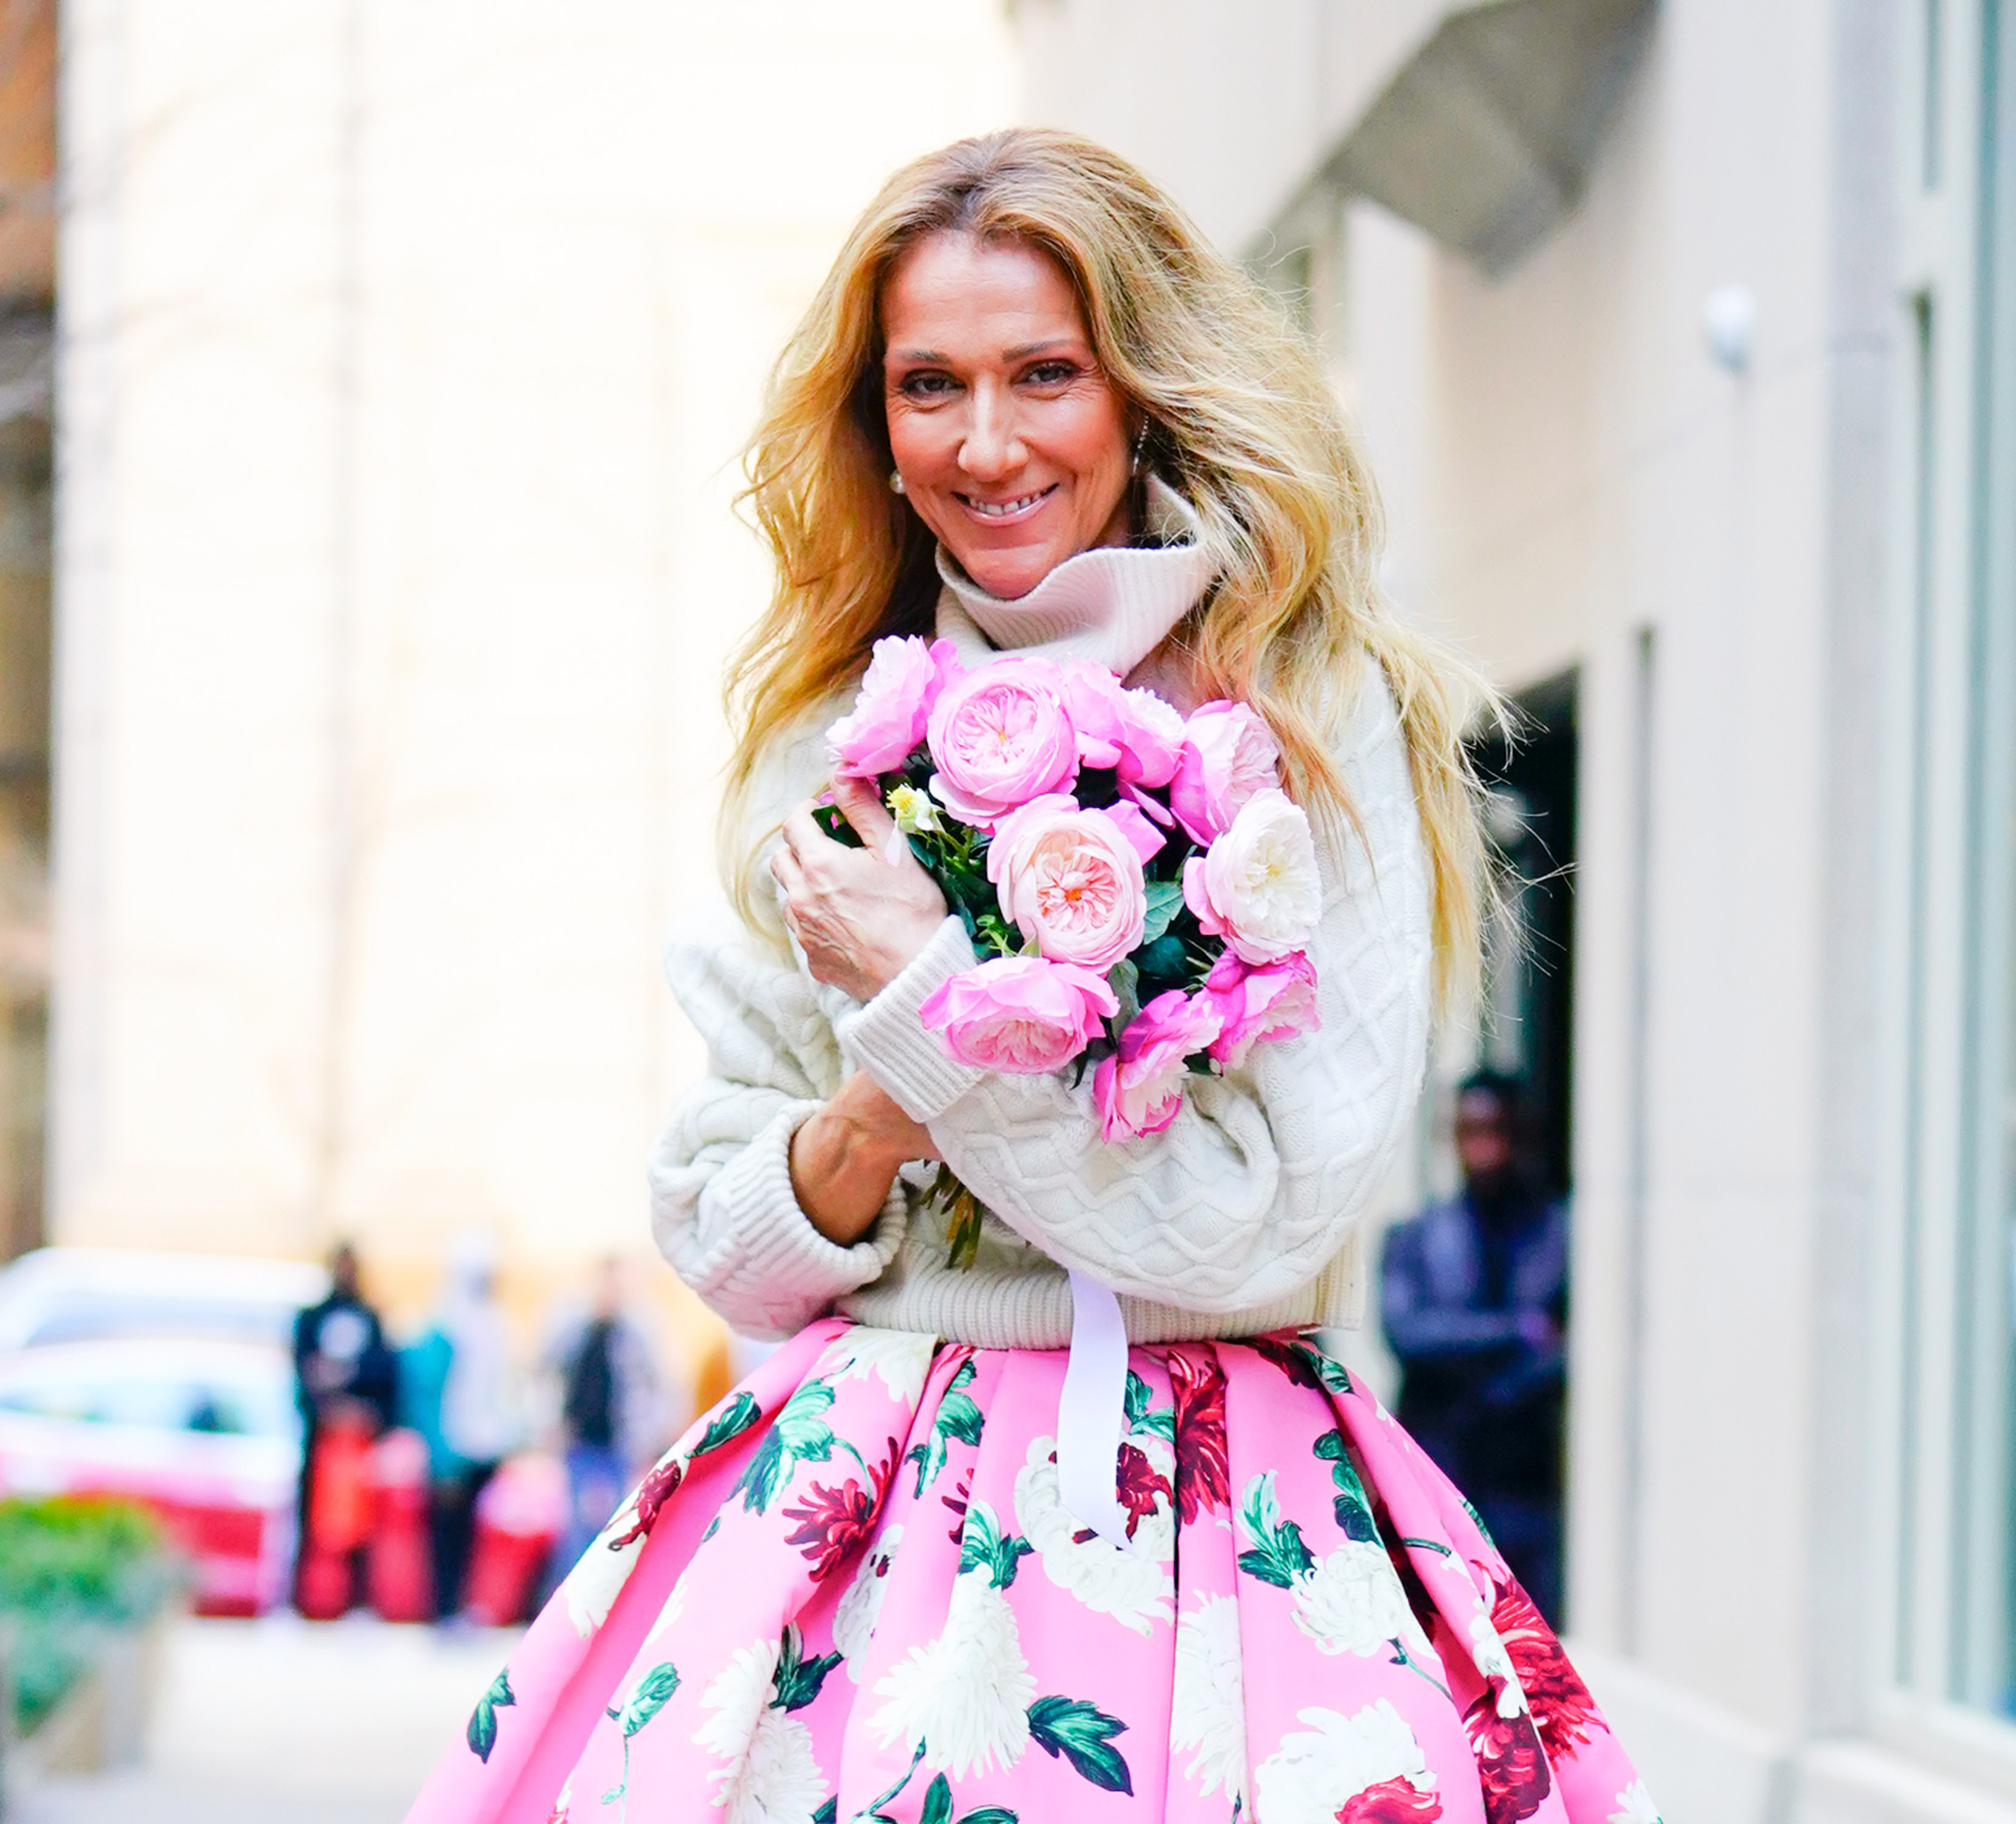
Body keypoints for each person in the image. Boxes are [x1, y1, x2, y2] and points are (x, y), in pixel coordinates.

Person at [407, 129, 1652, 1823]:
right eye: (928, 387)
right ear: (878, 424)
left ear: (1137, 388)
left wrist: (929, 1007)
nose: (984, 444)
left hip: (1222, 1518)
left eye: (1042, 375)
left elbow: (1256, 1227)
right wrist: (876, 1106)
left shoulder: (1313, 712)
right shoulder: (823, 734)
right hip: (846, 1518)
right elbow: (722, 1229)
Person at [1381, 1069, 1570, 1622]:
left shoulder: (1557, 1233)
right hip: (1437, 1476)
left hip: (1522, 1485)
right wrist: (1516, 1330)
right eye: (1470, 1131)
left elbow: (1570, 1352)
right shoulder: (1414, 1237)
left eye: (1496, 1130)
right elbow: (1409, 1335)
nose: (1484, 1147)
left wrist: (1495, 1377)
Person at [406, 1232, 523, 1624]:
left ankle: (462, 1606)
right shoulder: (445, 1323)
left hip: (484, 1446)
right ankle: (442, 1609)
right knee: (445, 1535)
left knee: (473, 1533)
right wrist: (441, 1457)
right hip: (451, 1451)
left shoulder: (494, 1323)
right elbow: (427, 1395)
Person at [541, 1259, 675, 1592]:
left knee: (617, 1524)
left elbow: (659, 1384)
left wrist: (650, 1432)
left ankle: (607, 1595)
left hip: (619, 1442)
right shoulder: (575, 1328)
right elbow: (546, 1372)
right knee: (574, 1524)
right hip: (579, 1440)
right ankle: (565, 1597)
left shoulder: (637, 1332)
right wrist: (550, 1424)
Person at [291, 1242, 396, 1610]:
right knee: (309, 1521)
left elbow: (383, 1373)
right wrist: (326, 1404)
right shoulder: (312, 1317)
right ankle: (299, 1601)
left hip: (359, 1438)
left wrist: (355, 1399)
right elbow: (303, 1375)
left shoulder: (369, 1318)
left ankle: (358, 1604)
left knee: (362, 1525)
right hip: (321, 1437)